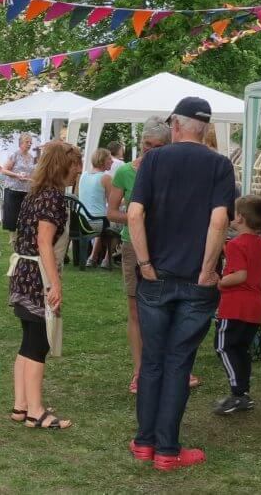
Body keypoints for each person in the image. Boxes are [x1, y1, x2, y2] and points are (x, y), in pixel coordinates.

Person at [128, 97, 236, 471]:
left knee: (153, 363)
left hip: (156, 278)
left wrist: (144, 263)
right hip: (195, 281)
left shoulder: (153, 160)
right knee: (178, 363)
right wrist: (207, 269)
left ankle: (145, 443)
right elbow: (219, 222)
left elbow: (135, 213)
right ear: (204, 128)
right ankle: (168, 450)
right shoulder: (220, 165)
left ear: (175, 125)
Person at [7, 140, 81, 431]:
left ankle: (21, 405)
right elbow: (44, 243)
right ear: (64, 166)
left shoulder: (35, 193)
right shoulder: (52, 198)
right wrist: (54, 284)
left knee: (29, 340)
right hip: (36, 275)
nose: (78, 171)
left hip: (23, 271)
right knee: (38, 342)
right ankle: (35, 411)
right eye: (75, 165)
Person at [106, 118, 173, 394]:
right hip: (133, 245)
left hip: (165, 247)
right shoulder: (125, 172)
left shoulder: (172, 171)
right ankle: (139, 371)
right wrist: (136, 219)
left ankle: (171, 366)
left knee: (168, 306)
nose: (151, 150)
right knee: (136, 309)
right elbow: (111, 212)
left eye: (158, 146)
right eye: (147, 144)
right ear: (140, 142)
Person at [213, 196, 261, 415]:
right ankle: (243, 393)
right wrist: (260, 300)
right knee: (241, 349)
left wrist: (220, 281)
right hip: (253, 307)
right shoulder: (260, 244)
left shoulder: (236, 244)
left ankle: (238, 394)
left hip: (234, 308)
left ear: (239, 218)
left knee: (224, 347)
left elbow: (240, 275)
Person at [78, 149, 113, 268]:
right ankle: (104, 259)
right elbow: (113, 203)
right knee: (117, 224)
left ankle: (95, 258)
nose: (112, 161)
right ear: (102, 160)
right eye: (109, 158)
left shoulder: (84, 175)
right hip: (96, 222)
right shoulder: (105, 178)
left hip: (80, 220)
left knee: (104, 219)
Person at [0, 133, 37, 244]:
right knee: (12, 213)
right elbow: (4, 170)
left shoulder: (31, 157)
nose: (29, 144)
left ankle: (22, 235)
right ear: (21, 143)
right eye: (27, 142)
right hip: (13, 188)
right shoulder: (14, 155)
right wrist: (17, 175)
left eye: (30, 142)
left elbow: (31, 173)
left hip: (26, 189)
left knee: (24, 213)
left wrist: (32, 179)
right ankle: (12, 237)